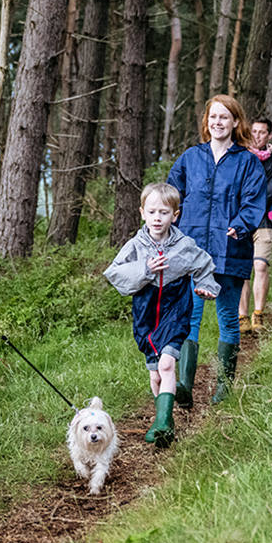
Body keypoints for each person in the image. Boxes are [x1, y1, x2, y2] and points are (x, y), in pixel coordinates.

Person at [167, 95, 267, 407]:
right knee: (189, 317)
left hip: (229, 248)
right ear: (206, 122)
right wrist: (170, 218)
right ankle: (184, 385)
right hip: (191, 250)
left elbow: (254, 201)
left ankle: (223, 387)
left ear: (236, 122)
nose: (218, 122)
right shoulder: (191, 158)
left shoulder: (247, 162)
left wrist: (241, 223)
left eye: (224, 117)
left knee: (226, 315)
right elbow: (173, 193)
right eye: (213, 117)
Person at [104, 183, 220, 448]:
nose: (158, 218)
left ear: (175, 215)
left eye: (164, 212)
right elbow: (115, 273)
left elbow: (204, 266)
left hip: (175, 309)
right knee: (156, 375)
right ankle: (168, 406)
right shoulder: (135, 246)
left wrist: (207, 288)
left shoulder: (184, 245)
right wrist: (144, 269)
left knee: (167, 364)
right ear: (143, 213)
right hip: (146, 315)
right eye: (152, 211)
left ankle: (164, 424)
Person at [239, 117, 272, 335]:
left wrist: (247, 197)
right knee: (242, 271)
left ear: (269, 135)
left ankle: (258, 313)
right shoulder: (240, 158)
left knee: (260, 266)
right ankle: (242, 316)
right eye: (254, 131)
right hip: (240, 221)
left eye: (262, 132)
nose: (257, 135)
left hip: (265, 221)